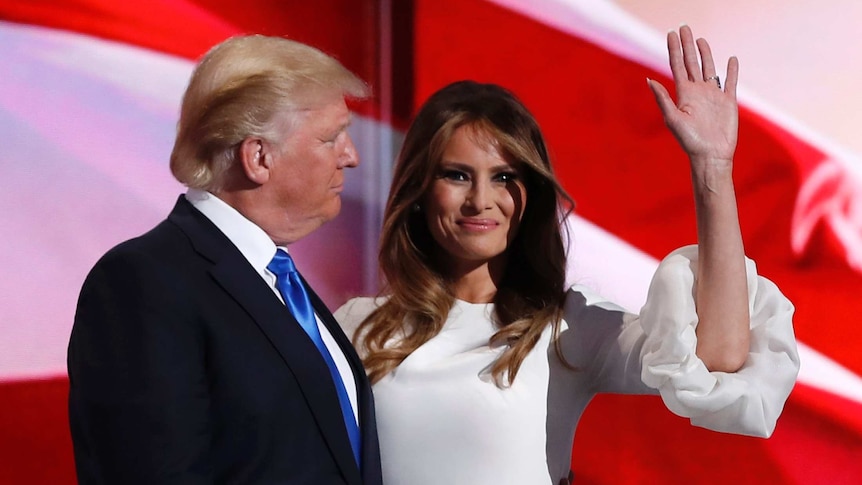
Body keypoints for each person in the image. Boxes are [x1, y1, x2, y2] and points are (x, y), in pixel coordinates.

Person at [334, 26, 799, 485]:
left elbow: (717, 358)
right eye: (456, 175)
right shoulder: (355, 325)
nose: (480, 200)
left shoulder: (570, 327)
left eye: (503, 177)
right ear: (419, 190)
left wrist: (711, 168)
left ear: (532, 194)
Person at [68, 35, 383, 484]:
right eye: (331, 138)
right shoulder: (144, 282)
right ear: (258, 157)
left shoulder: (279, 280)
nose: (350, 157)